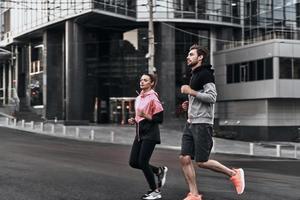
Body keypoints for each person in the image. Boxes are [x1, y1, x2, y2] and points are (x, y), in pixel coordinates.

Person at [179, 44, 245, 200]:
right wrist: (188, 104)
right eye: (188, 55)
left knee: (201, 161)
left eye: (191, 54)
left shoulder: (206, 74)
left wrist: (191, 92)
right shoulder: (194, 74)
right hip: (191, 122)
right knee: (184, 158)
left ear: (200, 57)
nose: (188, 57)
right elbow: (199, 96)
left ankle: (234, 173)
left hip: (202, 123)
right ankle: (194, 195)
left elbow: (212, 97)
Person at [128, 73, 168, 200]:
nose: (142, 82)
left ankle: (155, 191)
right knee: (133, 162)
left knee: (143, 162)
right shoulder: (139, 97)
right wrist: (134, 120)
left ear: (152, 83)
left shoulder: (153, 98)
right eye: (141, 80)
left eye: (145, 80)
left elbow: (160, 118)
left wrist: (146, 116)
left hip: (150, 134)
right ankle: (158, 171)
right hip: (140, 133)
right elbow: (140, 115)